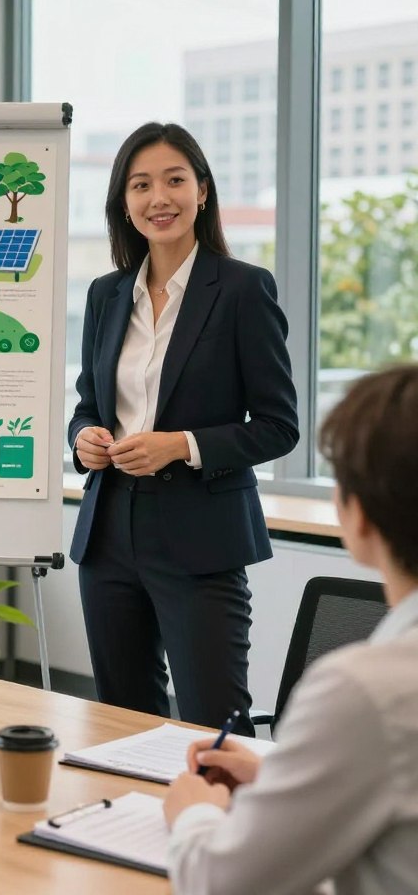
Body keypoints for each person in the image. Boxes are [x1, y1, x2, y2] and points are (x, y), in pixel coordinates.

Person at [68, 122, 298, 732]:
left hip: (202, 536)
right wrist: (84, 438)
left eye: (174, 180)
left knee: (213, 725)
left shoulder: (244, 289)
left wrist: (183, 445)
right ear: (124, 202)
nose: (158, 198)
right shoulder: (105, 295)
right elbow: (89, 404)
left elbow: (278, 426)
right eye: (140, 185)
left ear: (203, 191)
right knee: (120, 723)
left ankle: (223, 831)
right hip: (109, 533)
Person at [164, 364, 418, 894]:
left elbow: (222, 882)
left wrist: (196, 812)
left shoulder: (366, 690)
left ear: (359, 517)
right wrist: (288, 782)